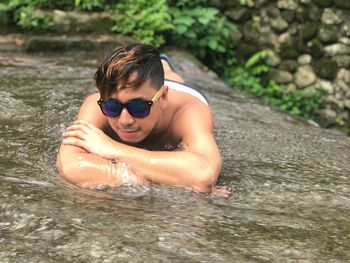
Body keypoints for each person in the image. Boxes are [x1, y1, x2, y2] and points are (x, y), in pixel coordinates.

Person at [56, 43, 224, 194]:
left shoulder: (188, 110)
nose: (124, 120)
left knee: (169, 76)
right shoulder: (96, 105)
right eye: (112, 107)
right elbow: (69, 163)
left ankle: (164, 64)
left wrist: (112, 148)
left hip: (181, 90)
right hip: (151, 89)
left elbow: (203, 173)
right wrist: (130, 179)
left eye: (138, 108)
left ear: (163, 98)